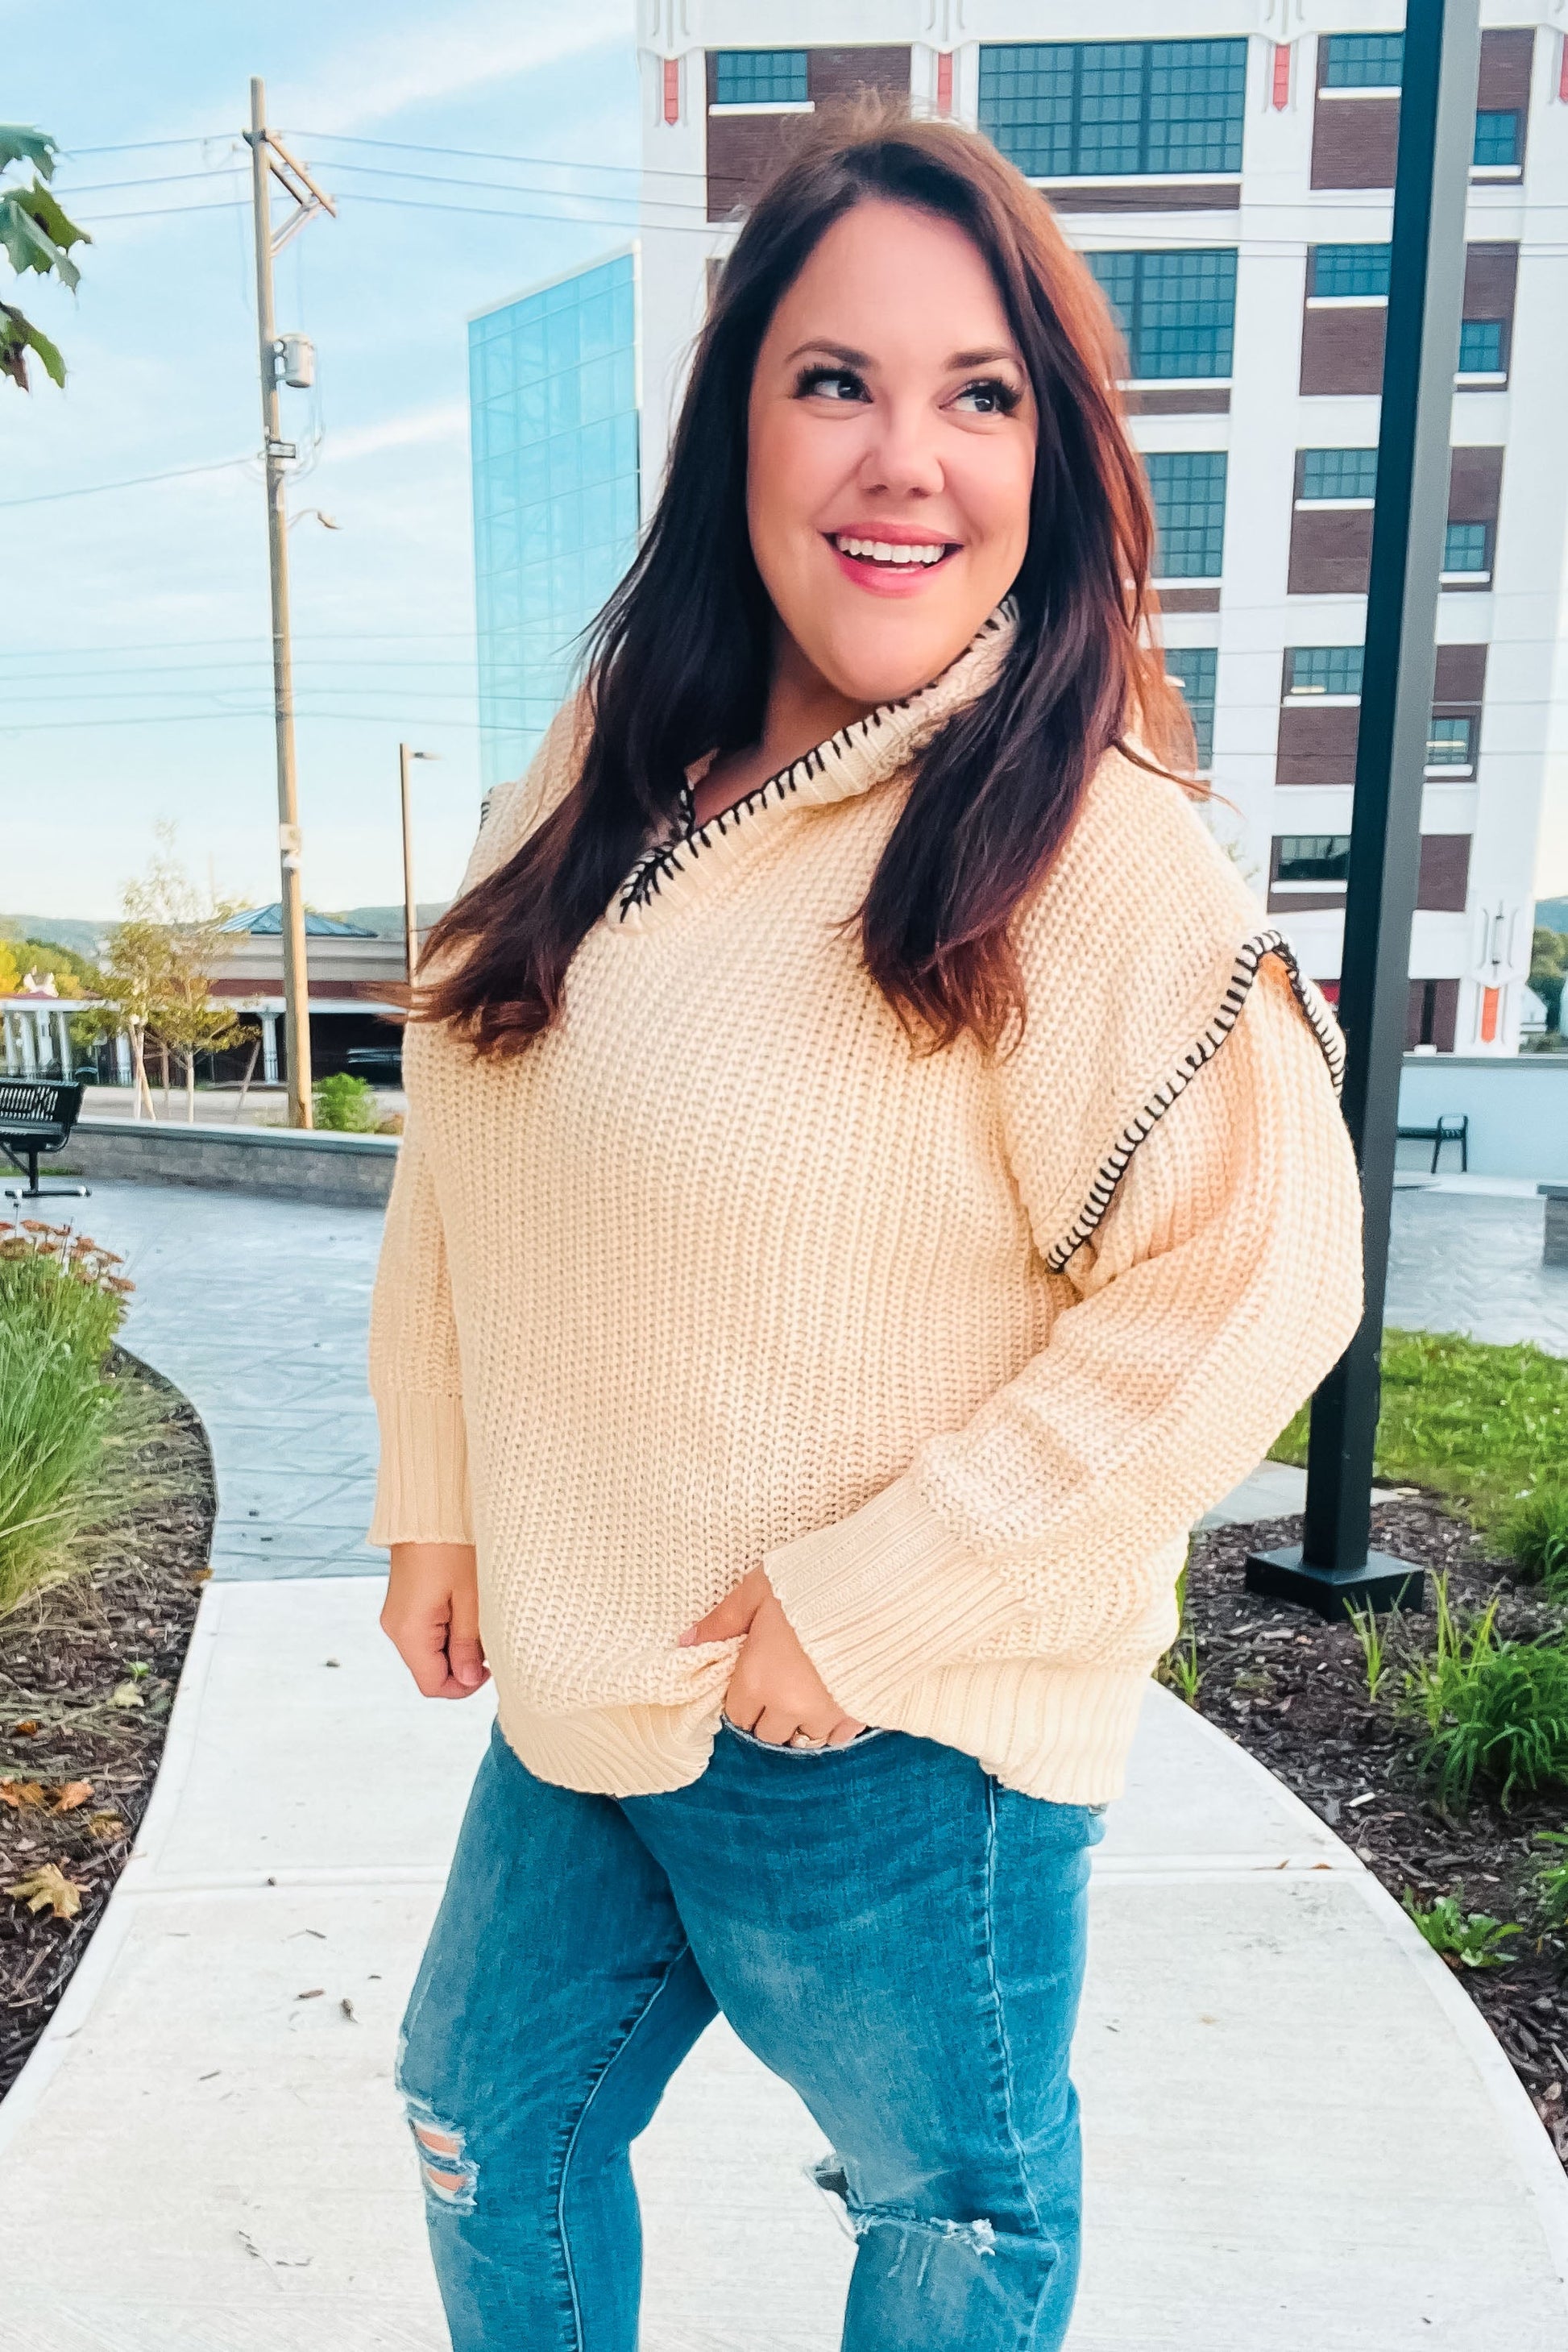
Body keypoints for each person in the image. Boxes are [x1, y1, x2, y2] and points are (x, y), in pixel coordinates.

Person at [368, 106, 1362, 2352]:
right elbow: (468, 1125)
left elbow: (1254, 1282)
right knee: (480, 2115)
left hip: (887, 1725)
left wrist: (873, 1596)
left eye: (977, 395)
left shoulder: (1092, 846)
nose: (904, 460)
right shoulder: (617, 755)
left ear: (1048, 456)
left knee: (950, 2217)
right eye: (835, 380)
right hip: (595, 1654)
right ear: (740, 418)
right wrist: (439, 1491)